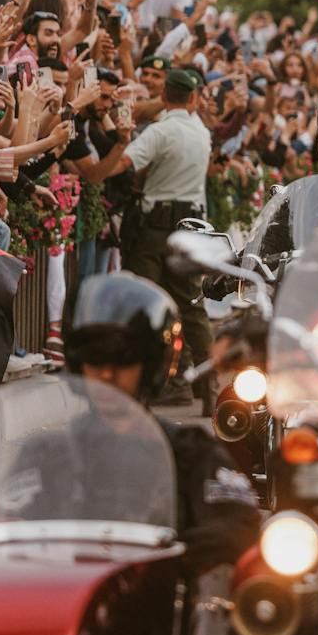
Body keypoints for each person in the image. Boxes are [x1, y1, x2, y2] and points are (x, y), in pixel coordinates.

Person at [62, 273, 258, 576]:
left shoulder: (190, 452)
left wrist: (170, 559)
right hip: (65, 607)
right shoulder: (52, 452)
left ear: (152, 364)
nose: (106, 376)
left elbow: (238, 523)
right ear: (77, 363)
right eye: (95, 360)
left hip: (160, 605)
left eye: (123, 361)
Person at [94, 68, 215, 410]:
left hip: (155, 229)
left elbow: (124, 164)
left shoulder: (160, 132)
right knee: (192, 309)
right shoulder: (201, 132)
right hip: (190, 227)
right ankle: (210, 390)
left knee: (144, 304)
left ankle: (141, 388)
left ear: (164, 96)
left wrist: (100, 167)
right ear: (193, 98)